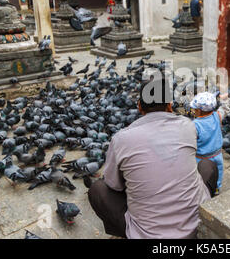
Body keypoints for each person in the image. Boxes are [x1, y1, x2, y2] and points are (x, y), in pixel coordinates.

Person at [87, 75, 217, 239]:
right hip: (195, 225)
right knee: (208, 165)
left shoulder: (121, 139)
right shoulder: (188, 125)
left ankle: (127, 233)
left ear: (140, 107)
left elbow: (114, 185)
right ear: (170, 106)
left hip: (149, 235)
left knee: (97, 190)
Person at [190, 92, 230, 194]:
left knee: (201, 175)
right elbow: (225, 109)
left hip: (201, 158)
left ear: (198, 111)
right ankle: (216, 188)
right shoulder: (217, 116)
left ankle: (202, 191)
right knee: (218, 172)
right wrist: (225, 100)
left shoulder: (195, 125)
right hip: (217, 155)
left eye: (194, 109)